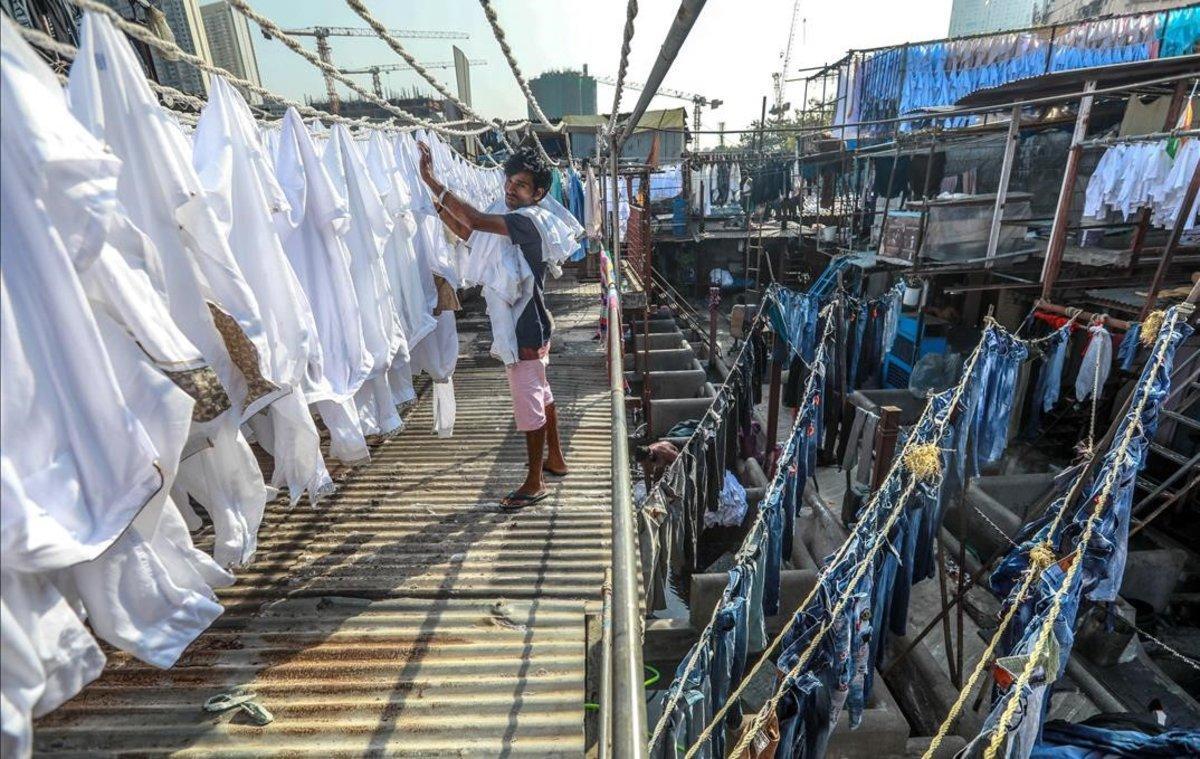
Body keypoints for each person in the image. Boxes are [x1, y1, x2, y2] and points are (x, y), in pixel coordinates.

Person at [417, 141, 568, 509]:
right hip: (535, 321)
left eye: (520, 185)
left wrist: (432, 181)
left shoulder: (529, 220)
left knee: (528, 400)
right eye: (509, 182)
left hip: (526, 327)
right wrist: (438, 208)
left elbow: (476, 222)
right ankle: (556, 459)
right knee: (542, 392)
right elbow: (473, 234)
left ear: (539, 193)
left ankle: (535, 482)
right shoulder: (517, 217)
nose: (509, 190)